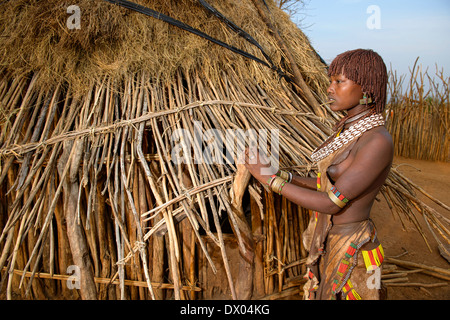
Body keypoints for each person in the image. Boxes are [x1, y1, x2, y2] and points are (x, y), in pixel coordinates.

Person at [244, 49, 393, 300]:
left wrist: (269, 180)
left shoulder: (376, 141)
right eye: (330, 81)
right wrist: (284, 175)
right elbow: (327, 184)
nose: (329, 88)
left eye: (339, 81)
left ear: (366, 88)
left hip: (352, 246)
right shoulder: (349, 131)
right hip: (330, 240)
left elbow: (331, 202)